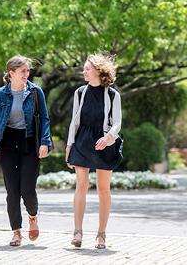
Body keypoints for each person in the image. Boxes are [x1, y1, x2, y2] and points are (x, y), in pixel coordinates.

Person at [0, 55, 52, 246]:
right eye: (23, 71)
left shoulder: (35, 92)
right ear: (12, 73)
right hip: (7, 143)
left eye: (28, 70)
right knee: (12, 192)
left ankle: (33, 216)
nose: (27, 74)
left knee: (27, 189)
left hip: (29, 141)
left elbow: (45, 119)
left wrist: (45, 142)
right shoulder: (0, 94)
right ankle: (16, 232)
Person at [66, 53, 122, 249]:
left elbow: (117, 123)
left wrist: (108, 138)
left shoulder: (113, 95)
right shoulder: (80, 92)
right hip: (82, 142)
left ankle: (101, 234)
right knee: (81, 185)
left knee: (103, 190)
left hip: (104, 143)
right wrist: (69, 145)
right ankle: (78, 232)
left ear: (98, 70)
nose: (84, 71)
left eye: (87, 68)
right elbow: (74, 121)